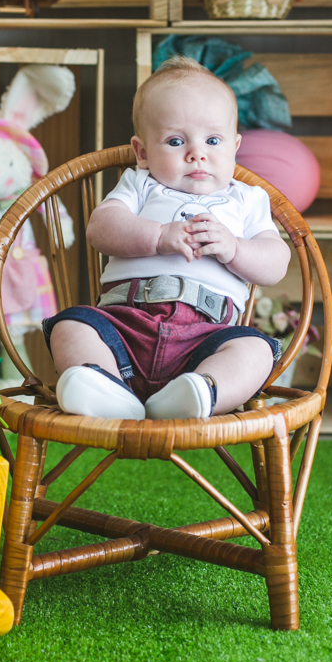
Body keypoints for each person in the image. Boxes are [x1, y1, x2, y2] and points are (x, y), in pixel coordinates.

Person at [43, 55, 290, 421]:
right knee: (70, 326)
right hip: (123, 325)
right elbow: (101, 228)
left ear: (235, 147)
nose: (197, 154)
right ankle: (105, 385)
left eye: (213, 140)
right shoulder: (139, 184)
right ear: (143, 152)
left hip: (205, 338)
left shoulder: (246, 199)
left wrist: (235, 248)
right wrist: (157, 236)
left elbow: (276, 262)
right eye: (175, 141)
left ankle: (201, 391)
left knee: (255, 350)